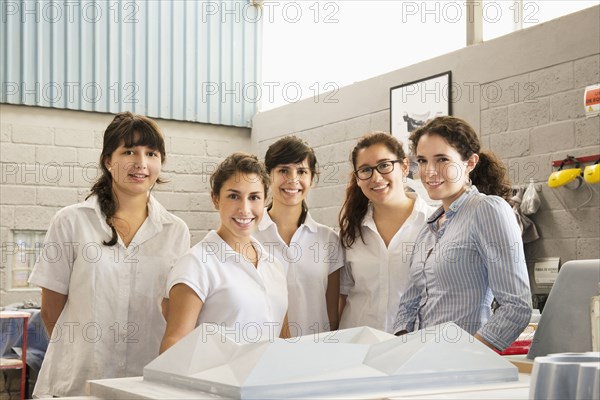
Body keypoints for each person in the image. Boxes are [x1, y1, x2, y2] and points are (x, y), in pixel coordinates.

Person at [28, 112, 190, 397]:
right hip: (76, 384)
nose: (141, 163)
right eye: (128, 151)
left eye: (151, 153)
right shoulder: (71, 222)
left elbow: (172, 314)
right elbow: (50, 311)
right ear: (108, 161)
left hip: (145, 383)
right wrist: (79, 358)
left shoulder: (175, 231)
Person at [392, 116, 532, 351]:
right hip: (422, 363)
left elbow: (516, 306)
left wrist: (467, 355)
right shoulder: (428, 229)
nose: (430, 171)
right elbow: (409, 303)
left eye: (442, 159)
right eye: (423, 161)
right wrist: (402, 351)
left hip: (462, 366)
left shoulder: (488, 210)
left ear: (470, 163)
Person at [160, 153, 289, 353]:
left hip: (266, 381)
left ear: (265, 200)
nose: (245, 209)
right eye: (234, 196)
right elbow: (174, 345)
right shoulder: (196, 264)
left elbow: (283, 340)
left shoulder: (273, 265)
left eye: (254, 197)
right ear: (215, 199)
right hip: (215, 383)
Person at [338, 132, 434, 334]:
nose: (376, 177)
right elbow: (342, 296)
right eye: (365, 170)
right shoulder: (351, 232)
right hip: (357, 346)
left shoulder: (434, 225)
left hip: (413, 346)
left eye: (384, 165)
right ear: (357, 178)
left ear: (404, 167)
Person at [253, 136, 343, 336]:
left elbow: (332, 313)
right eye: (283, 170)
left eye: (302, 171)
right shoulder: (249, 236)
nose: (293, 179)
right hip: (262, 354)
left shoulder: (328, 239)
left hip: (315, 354)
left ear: (312, 178)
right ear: (268, 176)